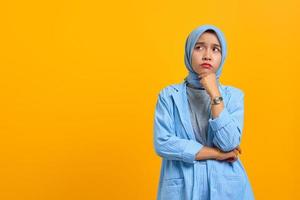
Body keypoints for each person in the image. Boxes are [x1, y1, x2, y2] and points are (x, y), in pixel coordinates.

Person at [153, 24, 255, 200]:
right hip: (182, 188)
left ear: (222, 56)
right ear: (188, 51)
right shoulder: (168, 96)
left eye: (215, 49)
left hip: (226, 188)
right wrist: (217, 154)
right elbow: (163, 143)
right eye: (199, 47)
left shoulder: (234, 96)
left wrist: (215, 93)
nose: (207, 55)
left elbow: (229, 143)